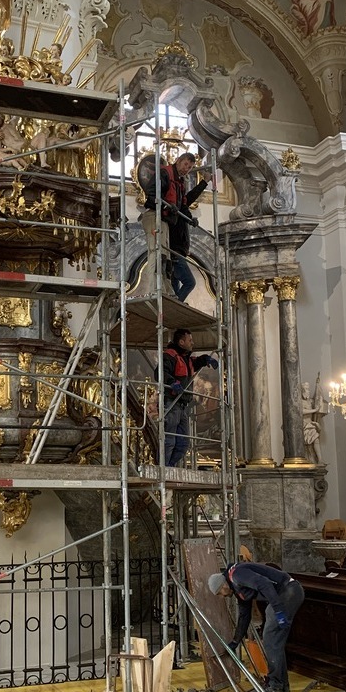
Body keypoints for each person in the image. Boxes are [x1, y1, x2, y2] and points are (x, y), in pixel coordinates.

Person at [208, 561, 305, 692]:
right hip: (288, 592)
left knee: (270, 640)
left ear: (223, 585)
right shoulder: (237, 587)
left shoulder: (237, 574)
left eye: (220, 593)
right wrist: (235, 641)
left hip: (287, 591)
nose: (222, 596)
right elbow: (244, 615)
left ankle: (275, 687)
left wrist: (278, 610)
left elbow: (264, 583)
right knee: (275, 643)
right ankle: (282, 686)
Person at [143, 152, 207, 301]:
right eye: (186, 165)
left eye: (190, 167)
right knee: (156, 253)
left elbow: (183, 205)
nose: (186, 169)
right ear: (178, 161)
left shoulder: (180, 183)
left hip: (165, 220)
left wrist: (190, 219)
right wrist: (166, 206)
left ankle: (166, 291)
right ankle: (153, 289)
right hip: (154, 215)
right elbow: (151, 194)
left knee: (165, 257)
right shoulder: (165, 173)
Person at [160, 328, 217, 467]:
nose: (192, 343)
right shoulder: (169, 356)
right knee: (169, 440)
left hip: (182, 405)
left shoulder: (185, 358)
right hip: (172, 403)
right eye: (190, 340)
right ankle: (164, 468)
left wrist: (206, 359)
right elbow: (161, 372)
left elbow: (195, 362)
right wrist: (172, 383)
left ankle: (170, 466)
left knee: (183, 443)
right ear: (181, 342)